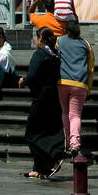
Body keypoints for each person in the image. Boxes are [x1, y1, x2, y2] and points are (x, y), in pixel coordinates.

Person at [24, 27, 66, 179]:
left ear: (40, 38)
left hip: (41, 98)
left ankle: (53, 157)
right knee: (47, 130)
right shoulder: (55, 55)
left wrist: (24, 81)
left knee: (31, 133)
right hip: (54, 97)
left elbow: (32, 75)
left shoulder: (40, 54)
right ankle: (40, 168)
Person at [56, 19, 95, 156]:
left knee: (65, 112)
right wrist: (88, 87)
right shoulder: (85, 44)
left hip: (62, 81)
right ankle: (75, 143)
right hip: (80, 83)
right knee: (75, 115)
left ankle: (67, 142)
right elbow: (91, 67)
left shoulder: (59, 41)